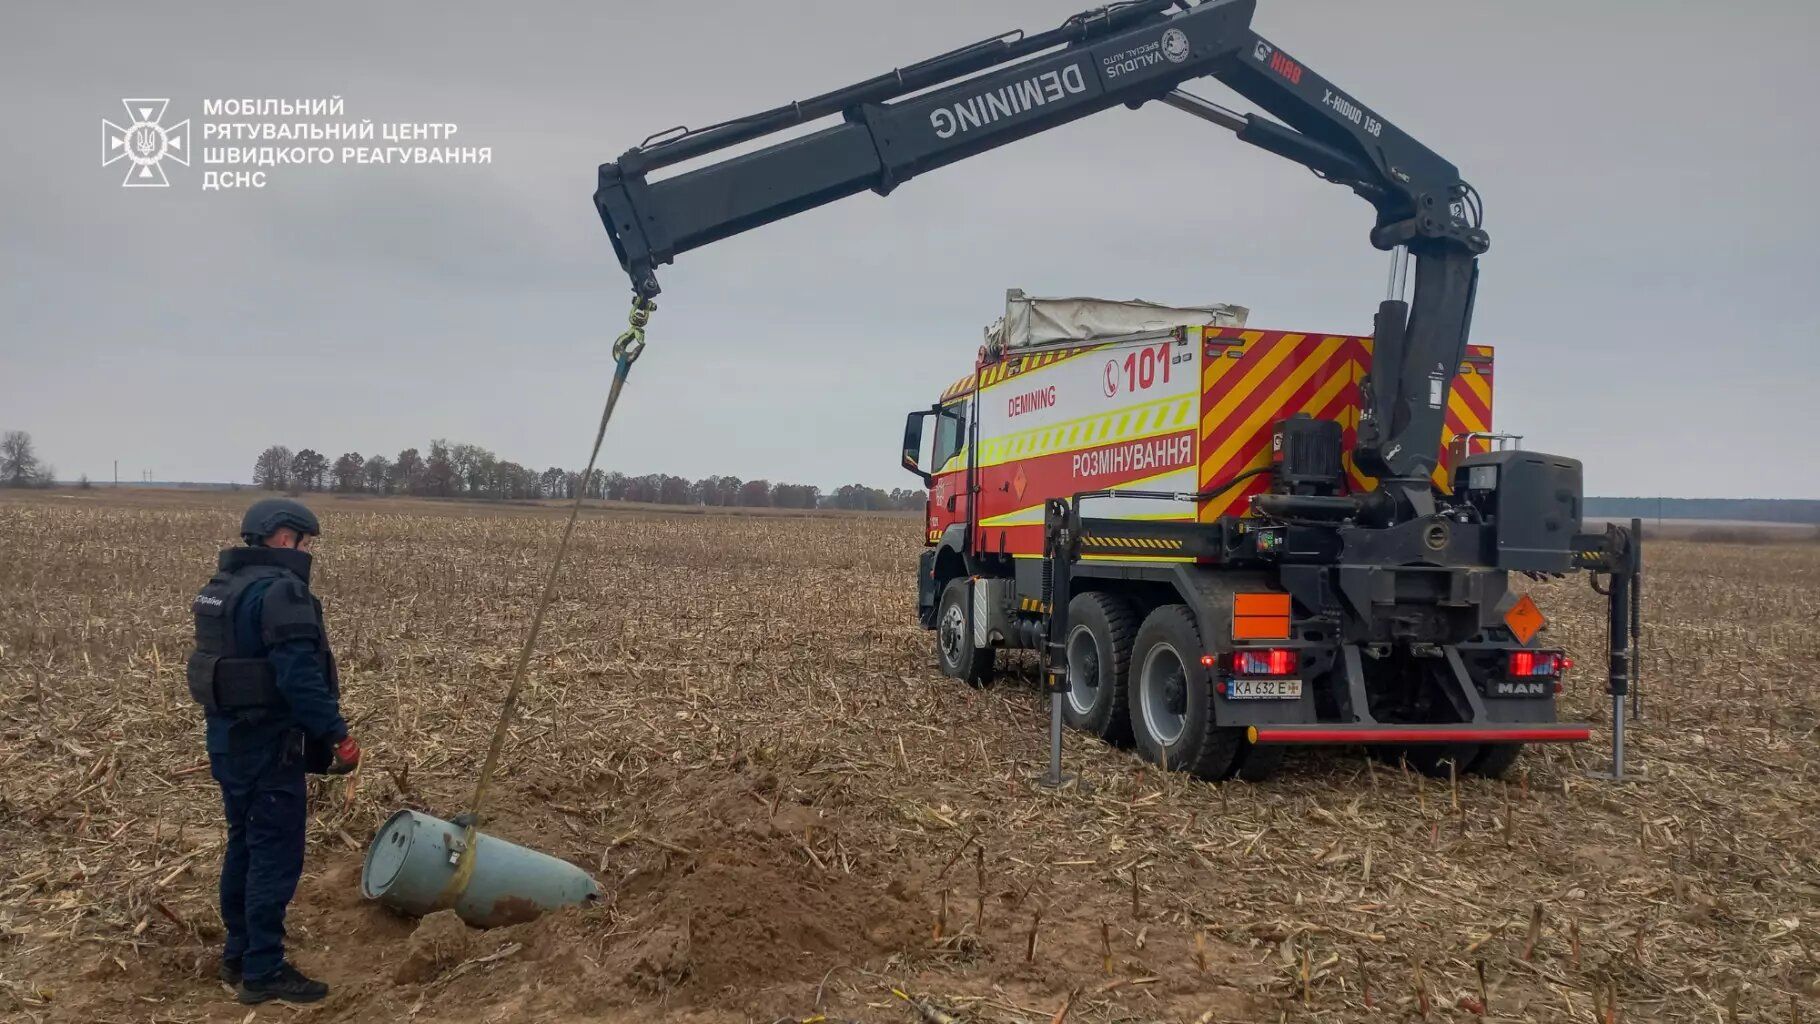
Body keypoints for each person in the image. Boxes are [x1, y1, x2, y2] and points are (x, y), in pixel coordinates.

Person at [185, 498, 359, 1004]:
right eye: (305, 542)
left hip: (227, 741)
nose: (307, 551)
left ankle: (238, 955)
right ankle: (264, 969)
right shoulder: (282, 592)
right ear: (284, 537)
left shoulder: (222, 589)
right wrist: (337, 735)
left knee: (243, 844)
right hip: (269, 747)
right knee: (274, 856)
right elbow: (300, 679)